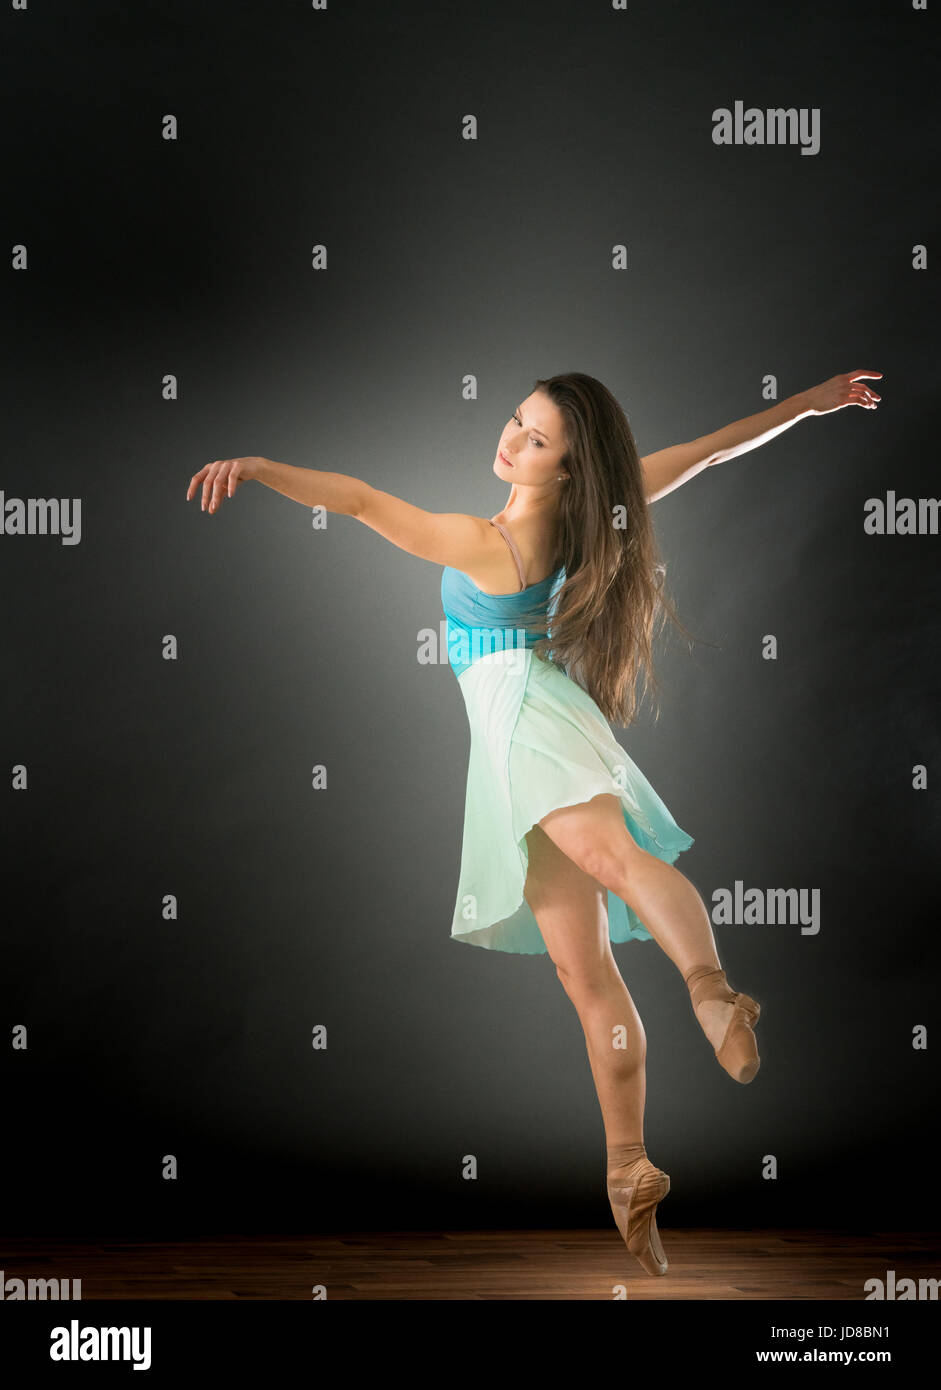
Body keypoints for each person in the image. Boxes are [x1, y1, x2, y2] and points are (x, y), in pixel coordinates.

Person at [186, 366, 882, 1277]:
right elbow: (712, 449)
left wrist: (260, 465)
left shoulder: (488, 540)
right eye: (517, 421)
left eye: (537, 438)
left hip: (522, 717)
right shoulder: (596, 510)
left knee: (616, 858)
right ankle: (627, 1167)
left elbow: (357, 500)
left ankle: (714, 992)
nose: (512, 440)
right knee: (580, 968)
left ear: (565, 467)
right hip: (533, 716)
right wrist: (802, 405)